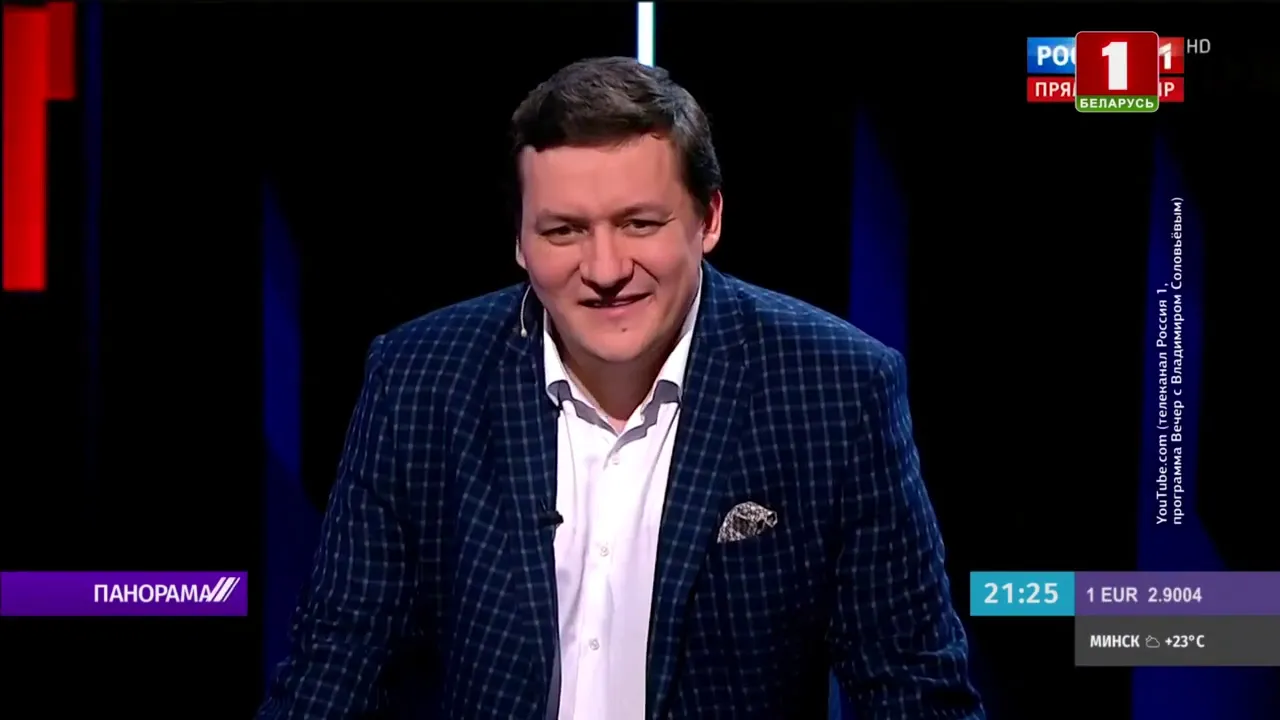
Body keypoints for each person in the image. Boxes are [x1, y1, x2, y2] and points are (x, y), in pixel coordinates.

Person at [259, 56, 983, 720]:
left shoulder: (836, 387)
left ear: (709, 218)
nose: (605, 269)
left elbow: (913, 690)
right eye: (564, 231)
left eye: (639, 224)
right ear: (520, 241)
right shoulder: (419, 380)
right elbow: (335, 671)